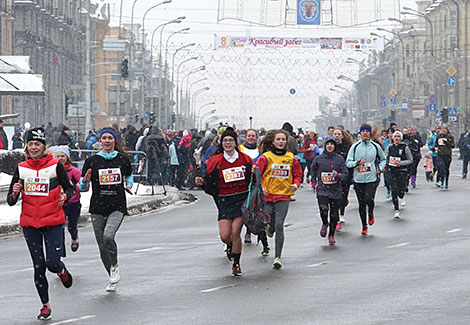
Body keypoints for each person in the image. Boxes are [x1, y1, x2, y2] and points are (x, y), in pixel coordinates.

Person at [7, 127, 74, 320]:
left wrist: (64, 196)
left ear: (44, 146)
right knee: (38, 266)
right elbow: (11, 200)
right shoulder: (21, 168)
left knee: (52, 263)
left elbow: (70, 189)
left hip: (52, 221)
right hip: (30, 223)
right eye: (30, 144)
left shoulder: (55, 166)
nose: (33, 147)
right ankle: (45, 305)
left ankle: (61, 270)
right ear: (26, 147)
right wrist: (15, 192)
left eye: (37, 144)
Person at [79, 128, 133, 292]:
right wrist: (84, 181)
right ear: (100, 141)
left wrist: (128, 185)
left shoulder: (122, 159)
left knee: (108, 236)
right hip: (98, 206)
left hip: (117, 205)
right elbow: (82, 186)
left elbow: (129, 175)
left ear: (114, 141)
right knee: (102, 245)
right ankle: (111, 275)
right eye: (104, 138)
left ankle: (115, 266)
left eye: (110, 138)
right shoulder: (92, 161)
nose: (107, 141)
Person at [195, 127, 254, 276]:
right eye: (225, 140)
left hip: (241, 198)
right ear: (222, 143)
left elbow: (253, 179)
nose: (228, 143)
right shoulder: (215, 161)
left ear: (236, 143)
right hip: (224, 200)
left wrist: (255, 174)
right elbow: (209, 181)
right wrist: (202, 183)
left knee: (235, 232)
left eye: (231, 140)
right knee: (225, 235)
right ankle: (229, 245)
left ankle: (236, 263)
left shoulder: (245, 159)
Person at [257, 129, 302, 269]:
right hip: (268, 196)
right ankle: (268, 229)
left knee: (279, 225)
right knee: (269, 222)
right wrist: (260, 188)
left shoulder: (290, 158)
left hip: (283, 196)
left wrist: (295, 184)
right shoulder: (266, 157)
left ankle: (277, 257)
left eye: (283, 139)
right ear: (273, 141)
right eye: (278, 139)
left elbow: (298, 174)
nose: (281, 142)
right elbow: (257, 174)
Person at [346, 124, 386, 235]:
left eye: (366, 131)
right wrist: (357, 163)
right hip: (358, 179)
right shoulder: (355, 147)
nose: (364, 133)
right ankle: (364, 225)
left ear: (369, 133)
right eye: (362, 131)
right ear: (360, 133)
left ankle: (371, 212)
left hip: (371, 177)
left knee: (369, 199)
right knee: (361, 203)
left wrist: (380, 168)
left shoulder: (375, 146)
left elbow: (383, 159)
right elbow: (348, 162)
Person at [311, 137, 348, 245]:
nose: (330, 146)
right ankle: (324, 223)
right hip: (322, 189)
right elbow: (313, 170)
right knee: (324, 209)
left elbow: (345, 174)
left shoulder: (339, 159)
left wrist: (338, 175)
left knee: (334, 214)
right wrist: (313, 182)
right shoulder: (319, 159)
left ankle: (331, 234)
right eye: (328, 144)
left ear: (335, 146)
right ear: (325, 146)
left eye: (332, 144)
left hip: (336, 190)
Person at [50, 146, 82, 252]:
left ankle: (74, 237)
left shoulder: (74, 171)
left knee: (72, 225)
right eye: (57, 156)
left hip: (73, 203)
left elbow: (83, 186)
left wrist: (73, 186)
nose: (60, 158)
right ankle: (60, 249)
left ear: (67, 157)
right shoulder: (52, 171)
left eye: (62, 156)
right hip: (59, 203)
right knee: (60, 227)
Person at [384, 131, 413, 219]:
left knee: (401, 189)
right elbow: (385, 157)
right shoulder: (390, 147)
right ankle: (396, 209)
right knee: (394, 190)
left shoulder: (404, 147)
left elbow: (410, 160)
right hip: (392, 171)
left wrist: (400, 163)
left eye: (398, 137)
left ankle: (402, 196)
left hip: (402, 171)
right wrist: (387, 164)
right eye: (395, 136)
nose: (396, 138)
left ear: (401, 138)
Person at [238, 128, 260, 244]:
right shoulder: (240, 149)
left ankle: (248, 231)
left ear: (256, 138)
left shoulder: (259, 151)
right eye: (249, 136)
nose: (251, 138)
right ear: (245, 137)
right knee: (240, 208)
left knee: (251, 207)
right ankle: (237, 232)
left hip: (254, 183)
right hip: (241, 182)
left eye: (253, 136)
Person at [333, 128, 354, 228]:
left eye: (338, 134)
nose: (337, 136)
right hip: (334, 175)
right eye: (335, 134)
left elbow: (351, 160)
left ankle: (341, 214)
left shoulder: (347, 147)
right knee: (335, 196)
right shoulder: (331, 146)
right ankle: (336, 215)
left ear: (342, 136)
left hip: (346, 174)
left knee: (344, 194)